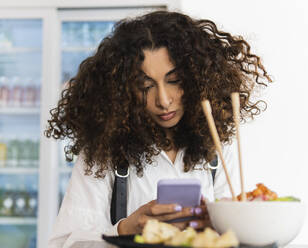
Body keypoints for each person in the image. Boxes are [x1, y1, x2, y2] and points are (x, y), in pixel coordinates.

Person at [46, 10, 271, 248]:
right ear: (123, 91)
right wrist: (125, 229)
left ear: (196, 80)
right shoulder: (103, 152)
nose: (163, 100)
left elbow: (237, 237)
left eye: (174, 81)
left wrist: (219, 225)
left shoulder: (217, 146)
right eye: (145, 86)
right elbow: (64, 244)